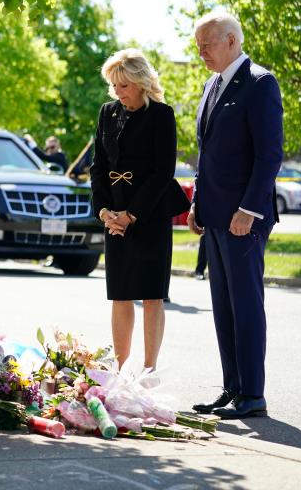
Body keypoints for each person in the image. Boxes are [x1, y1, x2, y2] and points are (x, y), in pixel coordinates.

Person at [188, 11, 282, 420]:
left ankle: (253, 395)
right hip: (215, 217)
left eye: (206, 43)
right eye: (197, 45)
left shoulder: (260, 83)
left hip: (244, 218)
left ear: (231, 40)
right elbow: (207, 152)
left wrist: (250, 208)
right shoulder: (211, 84)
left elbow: (269, 154)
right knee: (224, 307)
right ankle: (232, 388)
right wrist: (197, 203)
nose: (201, 51)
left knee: (245, 306)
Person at [89, 49, 189, 371]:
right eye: (114, 87)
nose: (118, 93)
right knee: (119, 293)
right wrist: (105, 212)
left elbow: (163, 171)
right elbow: (98, 167)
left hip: (150, 215)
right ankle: (119, 369)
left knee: (150, 295)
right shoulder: (107, 113)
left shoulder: (162, 115)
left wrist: (131, 215)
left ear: (141, 83)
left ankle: (149, 369)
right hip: (114, 215)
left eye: (124, 86)